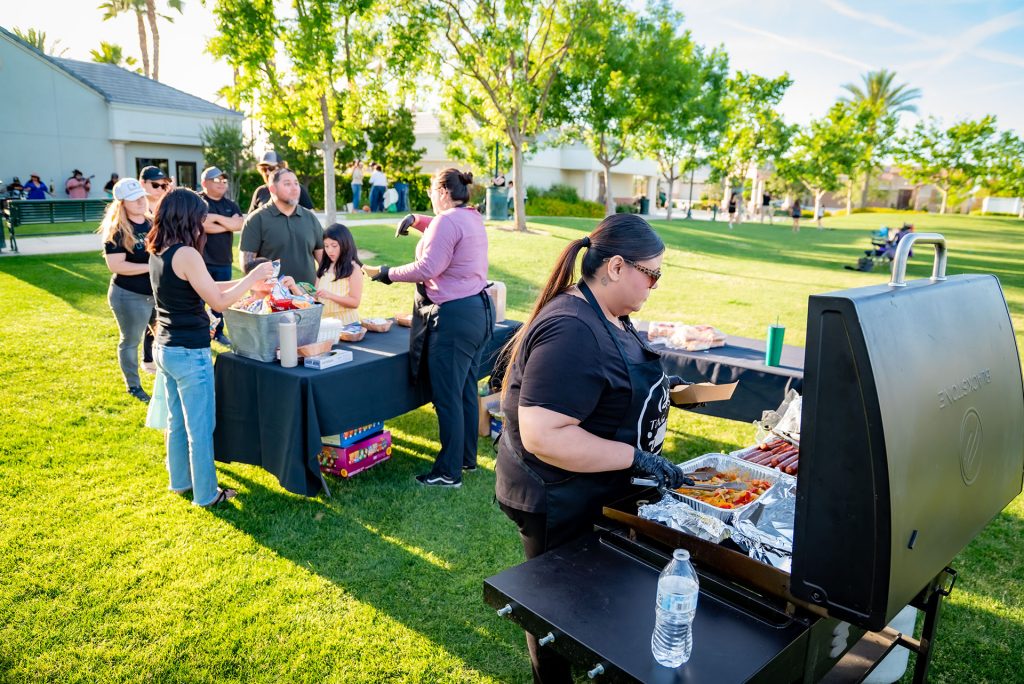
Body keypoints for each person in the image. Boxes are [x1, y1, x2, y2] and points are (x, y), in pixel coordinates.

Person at [493, 214, 692, 683]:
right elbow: (546, 435)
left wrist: (665, 391)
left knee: (588, 595)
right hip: (555, 495)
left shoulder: (613, 315)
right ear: (617, 267)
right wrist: (636, 458)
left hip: (595, 489)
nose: (655, 286)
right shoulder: (571, 328)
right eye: (653, 274)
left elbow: (608, 382)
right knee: (553, 605)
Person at [364, 168, 493, 487]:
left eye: (433, 193)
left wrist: (386, 273)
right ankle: (465, 460)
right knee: (464, 389)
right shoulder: (471, 216)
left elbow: (428, 267)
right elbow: (443, 231)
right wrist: (416, 220)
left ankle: (448, 472)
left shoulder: (448, 221)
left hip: (454, 317)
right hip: (478, 312)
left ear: (444, 193)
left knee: (448, 395)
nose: (431, 199)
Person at [147, 189, 275, 507]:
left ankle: (180, 482)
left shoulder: (159, 249)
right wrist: (253, 276)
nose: (204, 224)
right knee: (201, 427)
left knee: (177, 421)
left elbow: (204, 285)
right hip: (189, 352)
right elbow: (216, 301)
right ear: (187, 217)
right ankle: (206, 494)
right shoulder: (187, 253)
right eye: (201, 217)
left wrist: (248, 286)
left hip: (166, 348)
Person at [98, 178, 157, 403]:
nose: (141, 202)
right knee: (131, 341)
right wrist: (151, 267)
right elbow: (116, 266)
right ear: (122, 203)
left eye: (142, 196)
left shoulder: (152, 222)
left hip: (155, 293)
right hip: (129, 295)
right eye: (134, 199)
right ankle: (133, 386)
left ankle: (163, 377)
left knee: (161, 336)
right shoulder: (117, 230)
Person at [239, 168, 324, 285]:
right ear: (272, 189)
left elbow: (324, 262)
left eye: (296, 183)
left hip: (306, 299)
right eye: (287, 184)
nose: (294, 188)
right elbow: (247, 265)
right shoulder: (256, 219)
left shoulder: (310, 218)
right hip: (271, 299)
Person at [198, 166, 244, 346]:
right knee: (198, 300)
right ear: (205, 183)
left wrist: (214, 218)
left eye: (224, 180)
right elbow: (202, 225)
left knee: (221, 301)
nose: (222, 184)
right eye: (216, 180)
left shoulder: (231, 204)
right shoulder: (198, 201)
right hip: (201, 261)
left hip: (224, 261)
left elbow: (239, 225)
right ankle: (200, 332)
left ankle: (217, 332)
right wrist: (227, 224)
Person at [315, 223, 363, 324]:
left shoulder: (353, 268)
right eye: (326, 246)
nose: (329, 250)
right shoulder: (324, 267)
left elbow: (355, 302)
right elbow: (314, 298)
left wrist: (330, 296)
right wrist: (295, 288)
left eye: (334, 246)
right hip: (324, 324)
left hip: (346, 324)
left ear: (345, 244)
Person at [248, 151, 314, 213]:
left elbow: (311, 217)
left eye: (271, 168)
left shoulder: (296, 188)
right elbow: (249, 220)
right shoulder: (260, 191)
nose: (267, 173)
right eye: (264, 169)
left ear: (281, 167)